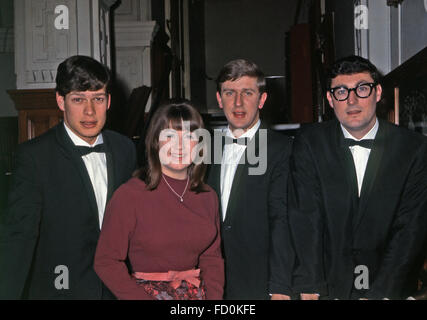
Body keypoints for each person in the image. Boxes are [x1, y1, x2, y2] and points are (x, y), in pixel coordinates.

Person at [288, 55, 427, 300]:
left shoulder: (413, 148)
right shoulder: (309, 142)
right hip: (326, 287)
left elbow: (410, 228)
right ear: (330, 99)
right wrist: (310, 284)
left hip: (388, 287)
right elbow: (306, 217)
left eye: (362, 89)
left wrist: (381, 293)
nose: (352, 100)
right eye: (341, 91)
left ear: (378, 92)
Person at [0, 55, 137, 299]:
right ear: (60, 101)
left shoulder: (125, 149)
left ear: (108, 102)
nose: (89, 111)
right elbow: (18, 238)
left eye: (98, 98)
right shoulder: (34, 157)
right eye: (78, 99)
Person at [94, 99, 224, 300]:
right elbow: (106, 261)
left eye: (189, 136)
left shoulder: (208, 197)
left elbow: (212, 259)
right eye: (170, 135)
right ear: (155, 142)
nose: (179, 146)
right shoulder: (129, 196)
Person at [206, 59, 294, 299]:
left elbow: (283, 222)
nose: (238, 102)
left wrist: (280, 287)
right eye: (229, 93)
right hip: (211, 283)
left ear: (262, 99)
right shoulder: (205, 148)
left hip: (261, 281)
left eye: (247, 92)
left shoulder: (282, 150)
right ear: (219, 98)